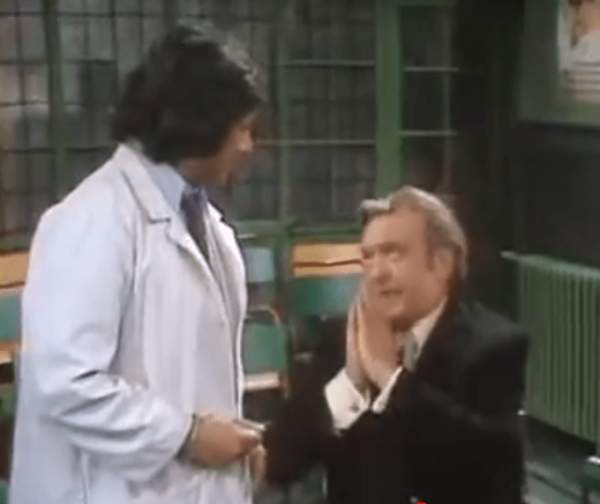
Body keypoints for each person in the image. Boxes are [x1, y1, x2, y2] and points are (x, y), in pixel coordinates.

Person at [10, 24, 265, 504]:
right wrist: (186, 436)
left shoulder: (209, 229)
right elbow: (66, 382)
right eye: (243, 130)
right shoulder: (92, 221)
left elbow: (200, 383)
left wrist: (232, 447)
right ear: (202, 122)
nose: (249, 147)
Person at [263, 186, 529, 504]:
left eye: (393, 253)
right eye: (368, 256)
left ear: (442, 263)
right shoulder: (342, 339)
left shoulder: (493, 346)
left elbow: (492, 482)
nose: (376, 273)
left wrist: (390, 379)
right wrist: (349, 385)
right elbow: (278, 463)